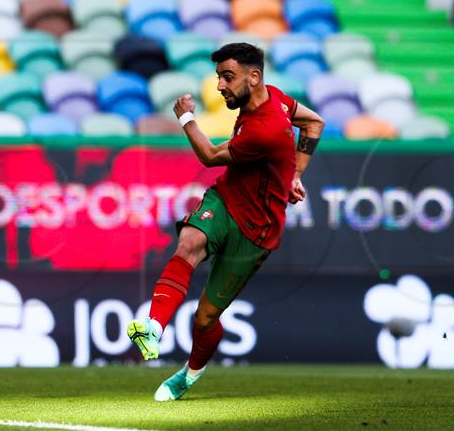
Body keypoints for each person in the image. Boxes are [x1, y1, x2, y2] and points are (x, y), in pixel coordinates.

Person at [127, 42, 325, 401]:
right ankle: (153, 327)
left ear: (254, 76)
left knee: (204, 319)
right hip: (225, 201)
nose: (220, 86)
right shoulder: (277, 98)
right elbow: (314, 122)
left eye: (227, 77)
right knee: (189, 242)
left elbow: (209, 155)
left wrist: (186, 116)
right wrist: (296, 173)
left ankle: (188, 375)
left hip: (256, 232)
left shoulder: (264, 127)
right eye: (219, 77)